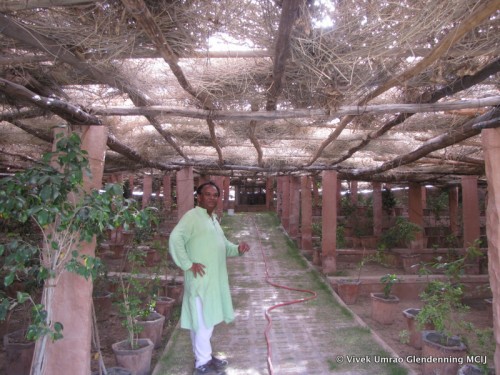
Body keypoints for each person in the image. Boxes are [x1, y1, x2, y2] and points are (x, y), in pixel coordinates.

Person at [168, 181, 250, 375]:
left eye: (215, 195)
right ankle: (202, 364)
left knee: (204, 320)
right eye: (208, 194)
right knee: (203, 321)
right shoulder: (192, 217)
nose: (212, 198)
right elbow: (175, 238)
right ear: (199, 196)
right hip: (200, 280)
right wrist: (188, 264)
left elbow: (223, 244)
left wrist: (237, 249)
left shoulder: (212, 219)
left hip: (214, 280)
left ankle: (203, 356)